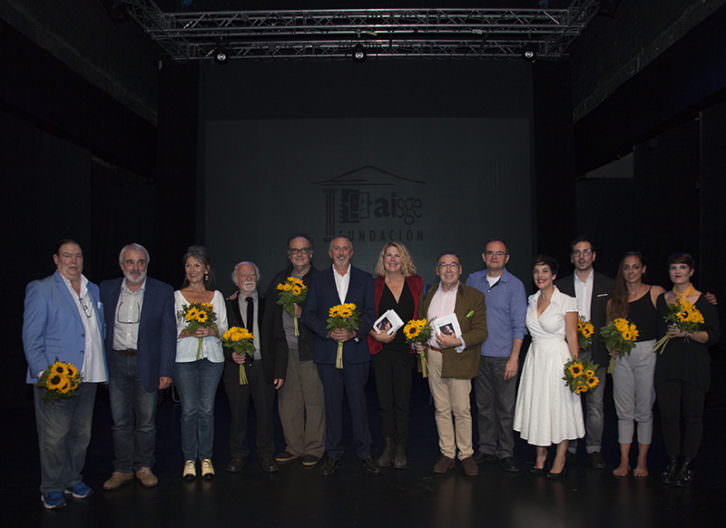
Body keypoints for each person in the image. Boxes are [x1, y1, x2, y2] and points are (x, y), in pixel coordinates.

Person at [23, 240, 107, 509]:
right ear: (56, 259)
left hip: (89, 375)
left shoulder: (92, 289)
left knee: (81, 435)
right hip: (57, 379)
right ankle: (51, 487)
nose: (73, 261)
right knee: (54, 436)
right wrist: (44, 375)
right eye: (67, 256)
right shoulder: (42, 289)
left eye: (78, 256)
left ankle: (72, 478)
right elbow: (31, 337)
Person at [100, 243, 176, 490]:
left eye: (141, 262)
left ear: (147, 265)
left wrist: (166, 370)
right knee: (120, 421)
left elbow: (168, 333)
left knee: (146, 421)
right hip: (116, 362)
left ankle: (144, 466)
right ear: (122, 265)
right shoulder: (106, 289)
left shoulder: (162, 291)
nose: (136, 267)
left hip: (148, 364)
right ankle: (122, 469)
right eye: (130, 262)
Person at [301, 236, 378, 476]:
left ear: (352, 252)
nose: (341, 252)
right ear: (330, 253)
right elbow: (308, 314)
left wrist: (355, 331)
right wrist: (328, 331)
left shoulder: (365, 279)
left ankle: (364, 453)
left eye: (345, 248)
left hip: (356, 352)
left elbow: (370, 312)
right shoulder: (318, 279)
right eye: (337, 249)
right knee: (332, 405)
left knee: (359, 404)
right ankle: (333, 454)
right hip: (327, 352)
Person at [415, 252, 488, 476]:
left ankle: (465, 454)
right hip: (434, 357)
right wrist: (418, 343)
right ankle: (447, 453)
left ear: (460, 269)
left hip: (459, 357)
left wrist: (457, 341)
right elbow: (420, 325)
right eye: (443, 266)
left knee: (462, 410)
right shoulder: (428, 294)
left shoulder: (474, 296)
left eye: (452, 265)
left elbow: (481, 331)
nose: (448, 269)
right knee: (441, 409)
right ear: (437, 270)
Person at [514, 255, 584, 479]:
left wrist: (576, 370)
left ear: (553, 275)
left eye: (545, 271)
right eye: (536, 272)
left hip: (558, 359)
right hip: (536, 360)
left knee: (560, 407)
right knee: (540, 407)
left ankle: (560, 457)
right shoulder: (532, 299)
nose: (540, 276)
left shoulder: (566, 301)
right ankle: (540, 456)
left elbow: (572, 335)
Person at [655, 253, 720, 487]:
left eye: (682, 267)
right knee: (668, 416)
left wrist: (688, 333)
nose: (678, 271)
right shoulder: (663, 300)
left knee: (693, 416)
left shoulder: (704, 301)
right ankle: (673, 461)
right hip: (667, 367)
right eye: (673, 268)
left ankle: (687, 463)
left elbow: (713, 336)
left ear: (691, 272)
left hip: (694, 367)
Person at [465, 239, 527, 473]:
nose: (494, 257)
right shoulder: (473, 280)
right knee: (483, 407)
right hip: (478, 355)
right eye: (490, 253)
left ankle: (506, 452)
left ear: (506, 258)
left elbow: (519, 324)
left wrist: (514, 357)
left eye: (499, 254)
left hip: (504, 357)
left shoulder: (515, 285)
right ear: (483, 257)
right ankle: (488, 449)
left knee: (505, 408)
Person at [267, 234, 326, 469]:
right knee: (288, 401)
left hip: (311, 349)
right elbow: (268, 313)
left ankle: (313, 448)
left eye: (303, 250)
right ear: (289, 254)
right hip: (285, 349)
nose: (299, 254)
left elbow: (330, 315)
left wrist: (305, 315)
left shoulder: (321, 280)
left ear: (311, 253)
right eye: (294, 250)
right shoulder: (279, 280)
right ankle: (294, 447)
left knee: (314, 400)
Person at [555, 236, 613, 469]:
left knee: (595, 405)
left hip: (597, 353)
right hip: (569, 353)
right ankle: (568, 448)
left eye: (586, 252)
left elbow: (614, 317)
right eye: (577, 252)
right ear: (571, 258)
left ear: (594, 256)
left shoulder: (607, 285)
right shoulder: (561, 286)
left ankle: (594, 448)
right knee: (569, 403)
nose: (581, 256)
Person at [605, 252, 664, 478]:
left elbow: (681, 305)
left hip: (647, 353)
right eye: (627, 268)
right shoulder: (614, 301)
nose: (631, 272)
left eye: (635, 267)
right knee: (624, 411)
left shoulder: (656, 293)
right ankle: (624, 461)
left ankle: (641, 462)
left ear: (643, 269)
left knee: (644, 411)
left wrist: (708, 300)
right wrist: (611, 347)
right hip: (622, 358)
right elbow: (609, 332)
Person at [223, 261, 284, 474]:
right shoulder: (226, 305)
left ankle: (267, 455)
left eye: (252, 275)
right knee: (238, 414)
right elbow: (218, 338)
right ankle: (238, 455)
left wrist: (280, 371)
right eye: (243, 275)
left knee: (266, 414)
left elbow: (279, 338)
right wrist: (230, 354)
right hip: (236, 369)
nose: (248, 278)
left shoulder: (271, 304)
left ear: (257, 278)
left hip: (263, 367)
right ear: (235, 280)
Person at [368, 242, 424, 469]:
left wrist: (421, 337)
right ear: (383, 259)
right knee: (384, 402)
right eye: (388, 255)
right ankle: (388, 445)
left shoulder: (416, 282)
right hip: (381, 351)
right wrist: (374, 334)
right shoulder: (374, 285)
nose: (392, 259)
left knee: (403, 401)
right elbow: (366, 315)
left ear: (404, 259)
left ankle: (401, 447)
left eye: (397, 255)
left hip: (405, 352)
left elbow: (422, 313)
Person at [174, 246, 227, 481]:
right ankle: (188, 460)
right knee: (188, 411)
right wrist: (184, 331)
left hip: (212, 359)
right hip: (184, 359)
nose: (192, 270)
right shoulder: (175, 296)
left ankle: (206, 459)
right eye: (188, 265)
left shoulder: (216, 297)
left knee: (206, 410)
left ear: (206, 269)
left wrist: (212, 329)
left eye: (197, 265)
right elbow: (169, 327)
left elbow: (224, 329)